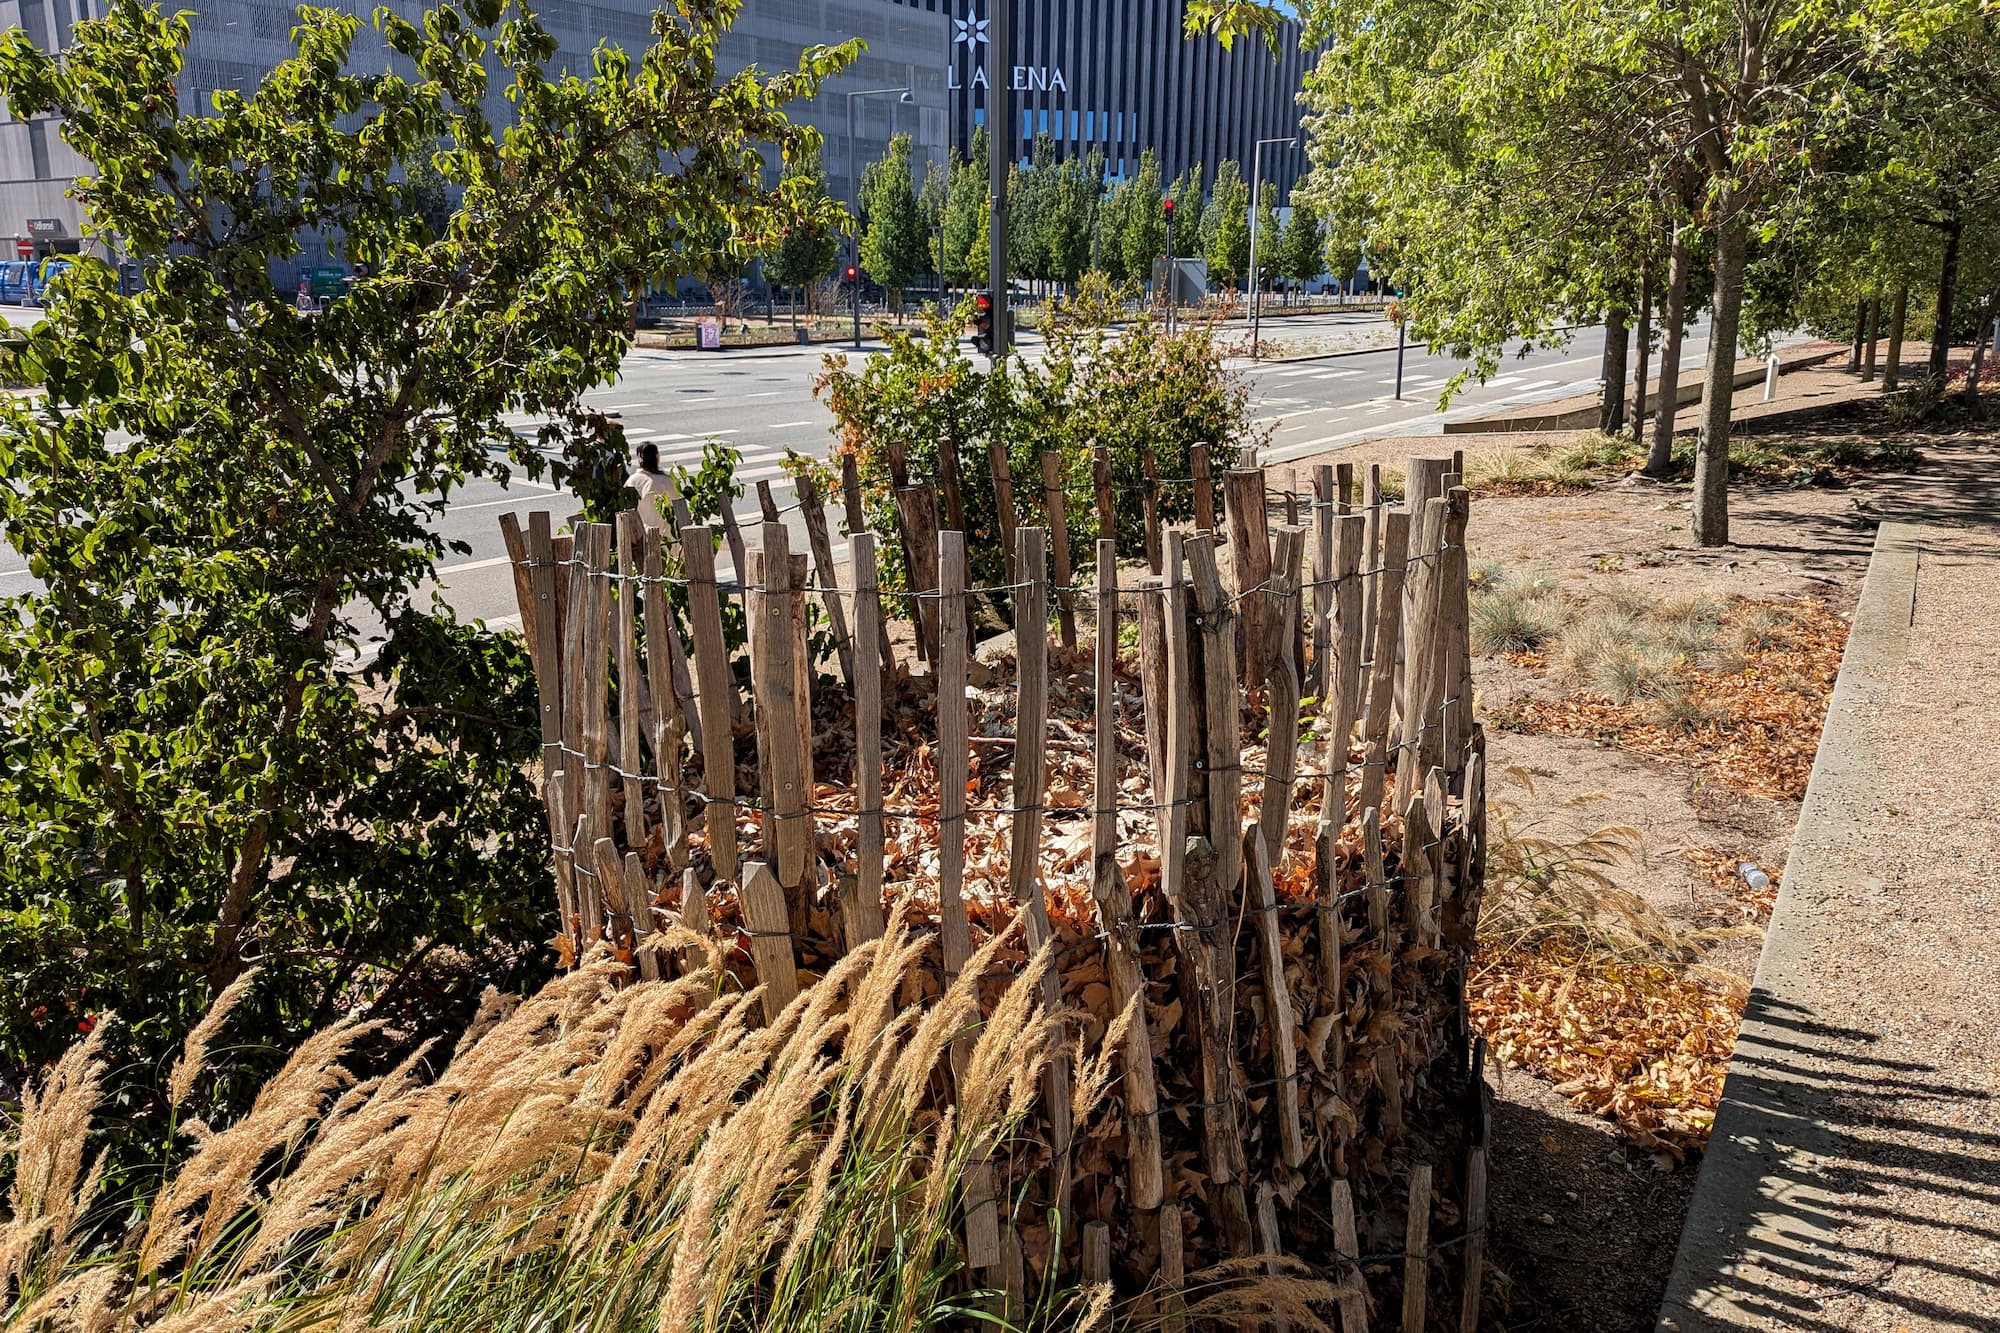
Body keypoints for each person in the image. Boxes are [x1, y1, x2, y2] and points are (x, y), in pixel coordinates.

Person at [625, 442, 680, 532]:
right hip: (666, 535)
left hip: (640, 534)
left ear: (640, 458)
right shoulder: (665, 481)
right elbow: (678, 505)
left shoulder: (632, 481)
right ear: (657, 457)